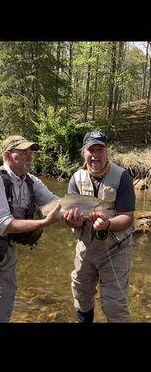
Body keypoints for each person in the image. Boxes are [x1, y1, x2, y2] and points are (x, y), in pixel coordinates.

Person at [0, 135, 62, 323]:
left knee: (7, 296)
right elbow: (3, 224)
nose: (30, 157)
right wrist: (43, 223)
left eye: (31, 153)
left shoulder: (32, 181)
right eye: (23, 153)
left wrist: (84, 210)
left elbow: (56, 203)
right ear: (7, 155)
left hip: (8, 249)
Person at [63, 131, 135, 323]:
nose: (95, 155)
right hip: (86, 247)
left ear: (107, 152)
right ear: (84, 153)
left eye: (100, 149)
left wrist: (109, 224)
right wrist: (73, 221)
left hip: (116, 249)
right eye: (91, 150)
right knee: (81, 295)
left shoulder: (122, 177)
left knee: (114, 304)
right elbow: (70, 218)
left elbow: (127, 217)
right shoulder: (76, 179)